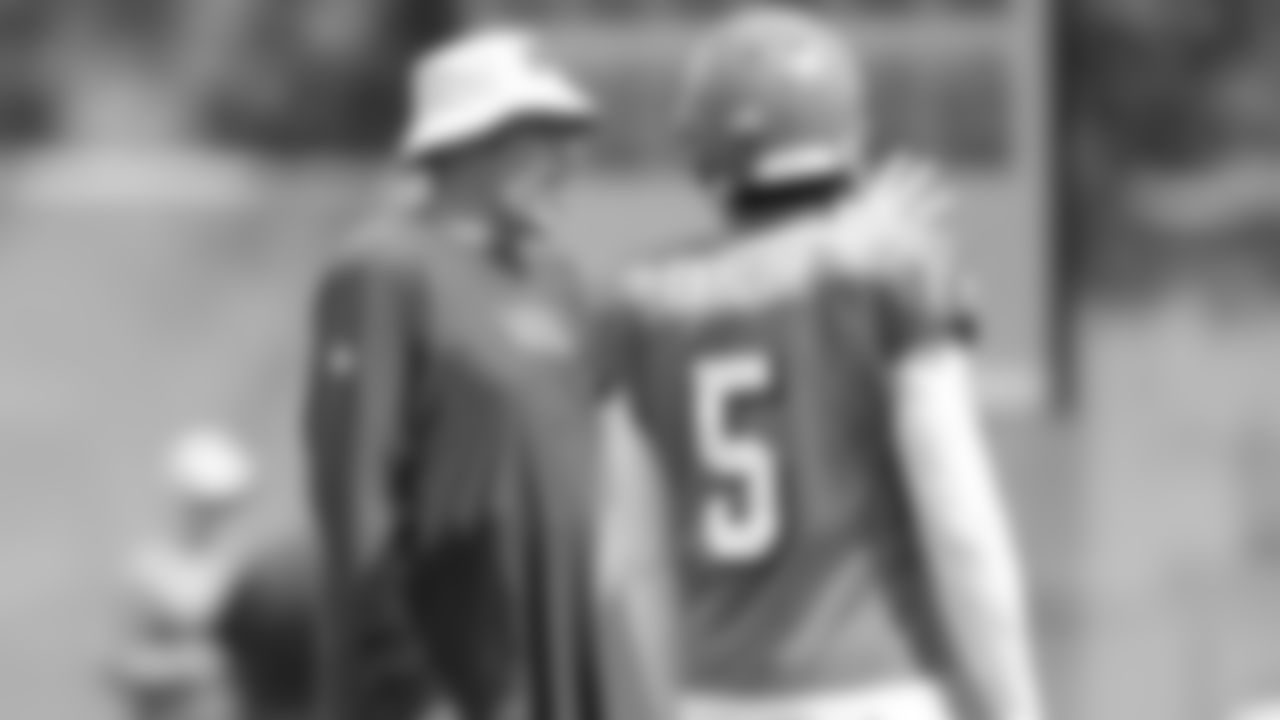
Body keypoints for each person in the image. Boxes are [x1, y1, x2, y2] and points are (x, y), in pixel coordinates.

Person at [605, 6, 1043, 720]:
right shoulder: (890, 269)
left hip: (716, 699)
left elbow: (634, 565)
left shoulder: (644, 303)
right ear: (847, 130)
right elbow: (962, 531)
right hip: (875, 689)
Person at [305, 28, 675, 720]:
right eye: (542, 137)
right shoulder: (382, 271)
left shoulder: (559, 281)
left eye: (569, 138)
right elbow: (354, 504)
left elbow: (597, 479)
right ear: (468, 142)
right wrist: (408, 689)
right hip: (453, 684)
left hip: (570, 673)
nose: (566, 161)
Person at [108, 428, 257, 720]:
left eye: (220, 505)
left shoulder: (244, 570)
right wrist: (197, 666)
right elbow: (125, 664)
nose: (212, 514)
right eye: (204, 504)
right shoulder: (151, 573)